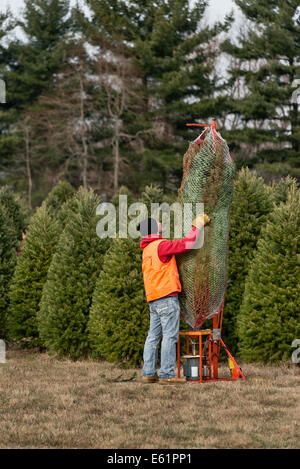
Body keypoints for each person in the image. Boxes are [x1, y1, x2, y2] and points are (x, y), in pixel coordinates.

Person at [138, 213, 210, 384]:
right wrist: (197, 226)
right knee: (170, 336)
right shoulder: (160, 246)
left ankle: (148, 373)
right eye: (158, 223)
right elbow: (186, 244)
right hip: (166, 298)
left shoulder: (147, 250)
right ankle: (167, 374)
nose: (162, 223)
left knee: (153, 337)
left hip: (153, 299)